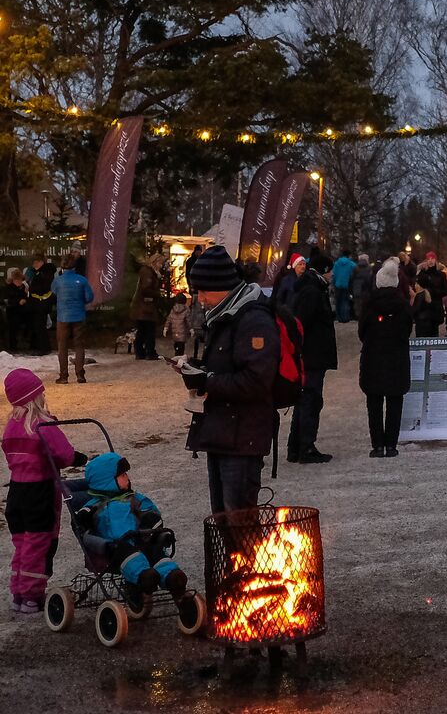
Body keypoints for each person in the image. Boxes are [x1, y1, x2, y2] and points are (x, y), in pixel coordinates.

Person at [180, 245, 279, 515]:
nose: (199, 299)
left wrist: (205, 380)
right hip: (222, 432)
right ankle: (229, 559)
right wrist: (196, 370)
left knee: (239, 521)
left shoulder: (253, 319)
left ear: (223, 286)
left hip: (243, 436)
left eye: (203, 291)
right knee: (223, 519)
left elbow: (257, 381)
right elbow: (227, 366)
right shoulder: (224, 316)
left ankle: (245, 559)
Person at [3, 368, 88, 613]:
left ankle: (18, 592)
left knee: (22, 542)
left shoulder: (11, 426)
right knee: (38, 542)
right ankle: (31, 596)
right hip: (39, 491)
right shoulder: (42, 425)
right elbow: (63, 454)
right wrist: (79, 459)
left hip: (17, 491)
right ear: (35, 396)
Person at [79, 453, 190, 605]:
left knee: (155, 550)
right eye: (122, 474)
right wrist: (83, 519)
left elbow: (151, 511)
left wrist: (150, 522)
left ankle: (172, 576)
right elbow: (82, 522)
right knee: (128, 554)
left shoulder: (134, 498)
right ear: (107, 481)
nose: (127, 477)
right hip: (115, 546)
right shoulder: (95, 505)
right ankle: (143, 576)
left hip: (140, 538)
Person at [360, 259, 413, 458]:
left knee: (373, 403)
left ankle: (378, 445)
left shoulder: (369, 303)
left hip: (373, 357)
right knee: (394, 402)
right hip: (396, 358)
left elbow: (362, 332)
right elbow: (407, 329)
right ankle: (391, 445)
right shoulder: (403, 304)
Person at [286, 256, 337, 464]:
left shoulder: (311, 288)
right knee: (311, 400)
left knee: (305, 400)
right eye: (330, 270)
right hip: (312, 356)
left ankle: (296, 446)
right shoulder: (313, 292)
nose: (332, 274)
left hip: (310, 355)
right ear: (323, 270)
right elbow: (301, 324)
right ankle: (305, 446)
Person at [51, 253, 94, 385]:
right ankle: (80, 374)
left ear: (62, 267)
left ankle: (63, 376)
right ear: (75, 267)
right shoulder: (82, 280)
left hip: (63, 317)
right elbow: (89, 297)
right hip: (79, 315)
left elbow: (54, 292)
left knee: (62, 346)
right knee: (79, 345)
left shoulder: (58, 281)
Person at [130, 253, 163, 360]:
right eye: (160, 263)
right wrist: (157, 294)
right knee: (148, 330)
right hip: (145, 307)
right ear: (154, 262)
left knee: (143, 330)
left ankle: (141, 352)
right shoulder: (148, 273)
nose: (161, 266)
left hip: (143, 307)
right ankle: (149, 352)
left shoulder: (148, 272)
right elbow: (146, 289)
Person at [27, 255, 55, 355]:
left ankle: (44, 348)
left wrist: (32, 289)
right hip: (38, 304)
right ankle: (41, 346)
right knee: (38, 326)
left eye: (36, 262)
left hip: (41, 304)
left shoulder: (45, 273)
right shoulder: (40, 273)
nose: (34, 264)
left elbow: (43, 288)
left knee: (40, 326)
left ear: (41, 262)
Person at [3, 268, 28, 352]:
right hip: (12, 312)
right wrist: (18, 302)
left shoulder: (23, 287)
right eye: (18, 280)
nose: (20, 282)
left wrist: (24, 299)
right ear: (14, 279)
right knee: (12, 330)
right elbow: (6, 300)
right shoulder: (8, 288)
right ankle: (12, 347)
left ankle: (21, 345)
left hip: (22, 312)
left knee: (22, 329)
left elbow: (25, 296)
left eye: (21, 280)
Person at [331, 249, 357, 324]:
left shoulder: (336, 263)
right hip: (347, 285)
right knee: (345, 301)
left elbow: (334, 275)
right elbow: (355, 273)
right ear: (349, 255)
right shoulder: (351, 264)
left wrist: (333, 284)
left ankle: (339, 318)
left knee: (338, 302)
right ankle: (346, 317)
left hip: (338, 285)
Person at [350, 253, 373, 321]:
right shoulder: (369, 268)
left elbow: (351, 278)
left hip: (356, 288)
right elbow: (370, 279)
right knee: (365, 303)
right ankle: (365, 316)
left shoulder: (356, 268)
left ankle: (358, 316)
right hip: (366, 288)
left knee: (357, 303)